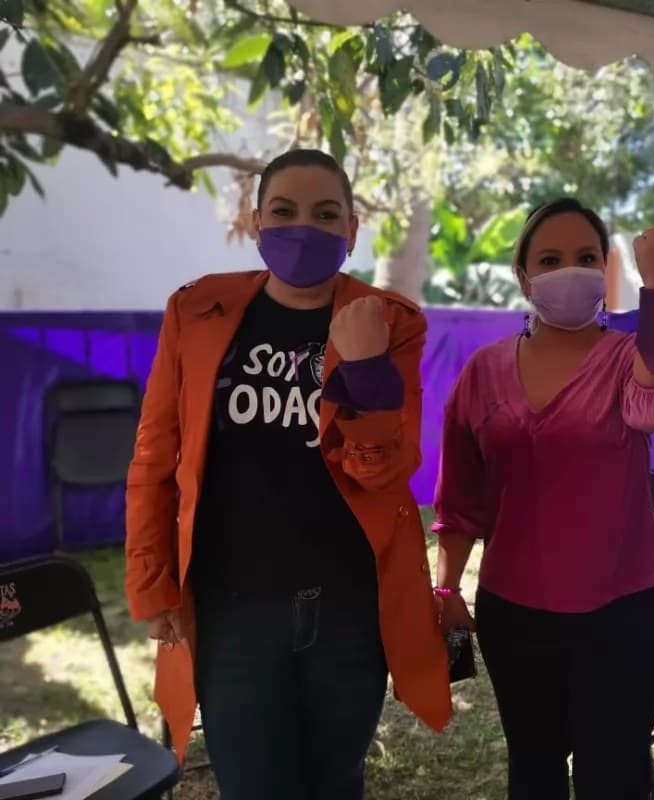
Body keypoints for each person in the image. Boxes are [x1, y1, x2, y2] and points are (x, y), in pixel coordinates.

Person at [124, 149, 451, 800]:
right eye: (285, 211)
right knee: (252, 785)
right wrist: (151, 579)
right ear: (256, 221)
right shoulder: (197, 310)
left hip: (349, 609)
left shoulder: (391, 322)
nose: (305, 226)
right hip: (232, 608)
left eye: (326, 214)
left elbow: (384, 471)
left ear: (352, 231)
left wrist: (366, 371)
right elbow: (155, 456)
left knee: (335, 781)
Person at [432, 198, 654, 799]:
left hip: (624, 612)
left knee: (616, 775)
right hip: (515, 613)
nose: (570, 270)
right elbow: (461, 501)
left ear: (605, 271)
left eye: (586, 257)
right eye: (550, 258)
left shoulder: (634, 358)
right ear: (523, 276)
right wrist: (446, 590)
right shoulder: (483, 371)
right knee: (534, 770)